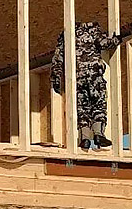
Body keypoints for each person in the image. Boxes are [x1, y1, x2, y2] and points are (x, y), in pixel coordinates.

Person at [51, 21, 121, 150]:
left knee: (82, 109)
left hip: (78, 78)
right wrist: (116, 40)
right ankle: (99, 134)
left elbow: (57, 59)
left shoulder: (66, 36)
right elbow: (104, 43)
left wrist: (56, 78)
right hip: (94, 75)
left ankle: (85, 138)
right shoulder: (92, 30)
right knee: (98, 105)